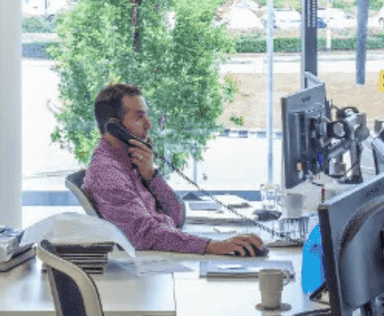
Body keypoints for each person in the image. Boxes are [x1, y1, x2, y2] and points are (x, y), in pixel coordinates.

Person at [82, 82, 264, 256]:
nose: (148, 124)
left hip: (163, 254)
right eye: (139, 117)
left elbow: (177, 216)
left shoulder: (133, 160)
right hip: (149, 262)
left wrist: (152, 176)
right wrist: (214, 246)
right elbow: (146, 235)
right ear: (114, 127)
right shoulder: (107, 172)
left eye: (147, 115)